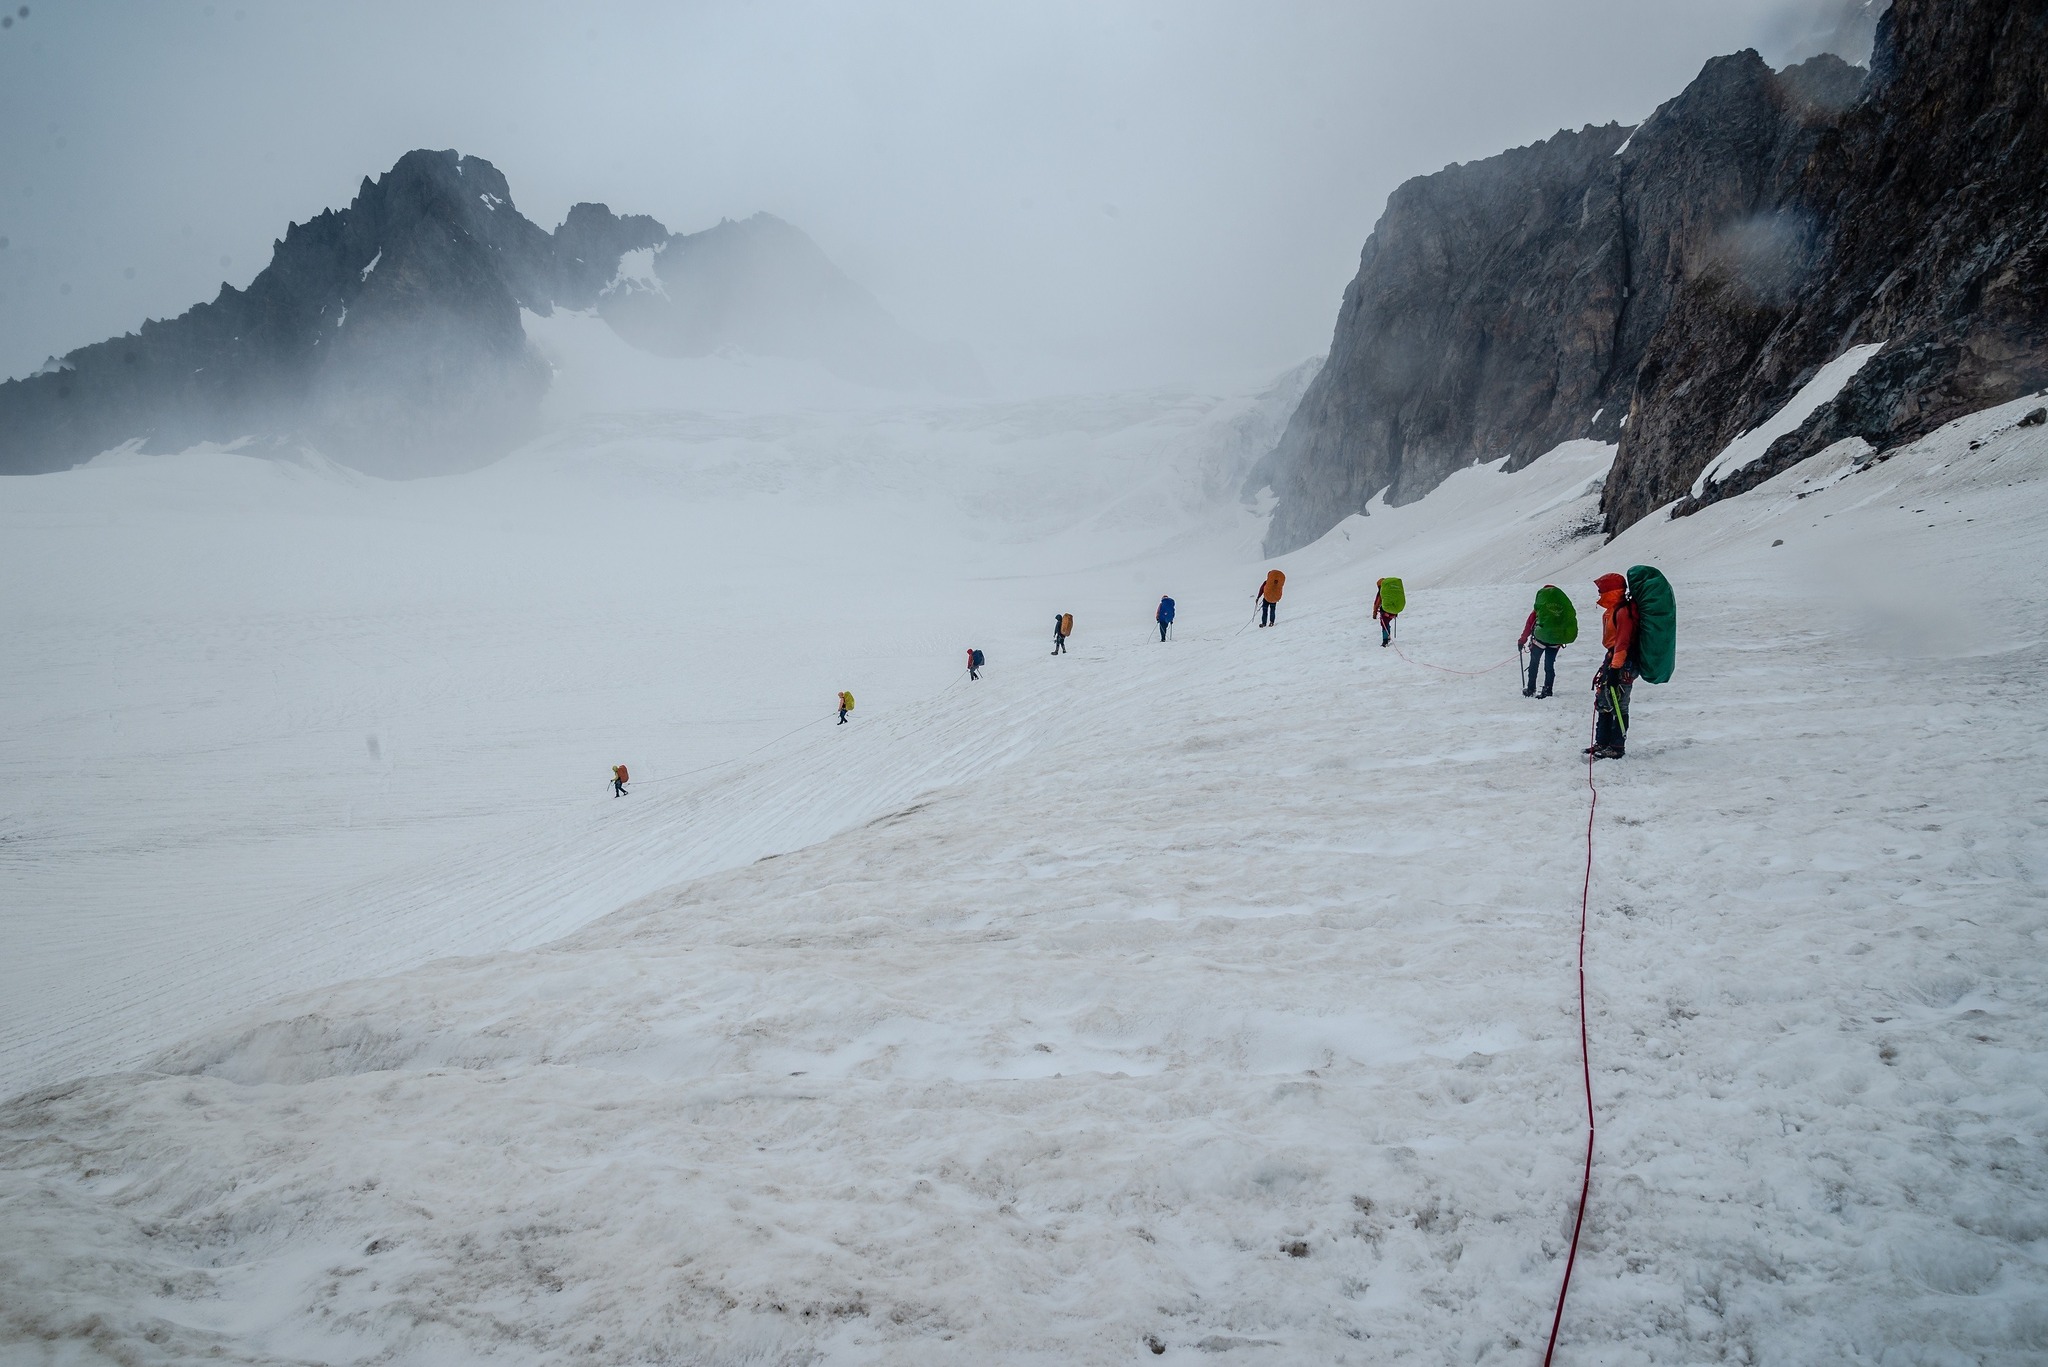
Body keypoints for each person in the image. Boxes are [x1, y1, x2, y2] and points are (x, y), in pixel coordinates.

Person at [1587, 573, 1637, 759]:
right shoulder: (1616, 609)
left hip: (1622, 662)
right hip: (1615, 659)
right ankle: (1603, 742)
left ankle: (1616, 746)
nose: (1599, 594)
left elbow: (1623, 641)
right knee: (1606, 700)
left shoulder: (1622, 612)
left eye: (1602, 590)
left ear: (1611, 591)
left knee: (1619, 703)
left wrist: (1616, 668)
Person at [1518, 584, 1575, 699]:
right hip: (1555, 642)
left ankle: (1531, 689)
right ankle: (1548, 690)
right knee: (1549, 666)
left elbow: (1529, 625)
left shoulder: (1539, 610)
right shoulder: (1560, 611)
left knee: (1534, 663)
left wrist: (1522, 640)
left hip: (1539, 640)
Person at [1372, 578, 1400, 647]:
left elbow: (1377, 603)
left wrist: (1374, 613)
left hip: (1384, 612)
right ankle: (1388, 637)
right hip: (1393, 612)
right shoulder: (1392, 592)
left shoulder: (1381, 593)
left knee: (1384, 624)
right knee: (1386, 623)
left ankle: (1385, 641)